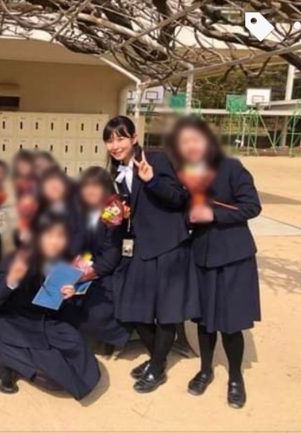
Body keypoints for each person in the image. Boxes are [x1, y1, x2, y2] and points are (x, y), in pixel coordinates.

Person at [166, 116, 261, 409]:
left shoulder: (231, 166)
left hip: (233, 255)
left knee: (231, 324)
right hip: (202, 255)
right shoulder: (185, 174)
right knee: (204, 321)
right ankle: (205, 370)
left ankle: (235, 377)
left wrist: (213, 215)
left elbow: (252, 206)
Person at [103, 115, 200, 393]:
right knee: (134, 308)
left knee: (167, 312)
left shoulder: (155, 159)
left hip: (168, 246)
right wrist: (118, 214)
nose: (115, 145)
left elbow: (179, 197)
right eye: (109, 140)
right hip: (141, 248)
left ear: (134, 138)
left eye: (121, 138)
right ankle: (158, 356)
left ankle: (156, 367)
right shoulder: (117, 170)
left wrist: (152, 180)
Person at [0, 212, 101, 400]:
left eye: (60, 236)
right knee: (54, 381)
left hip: (40, 321)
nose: (55, 242)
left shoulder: (58, 261)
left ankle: (18, 358)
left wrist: (67, 294)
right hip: (11, 324)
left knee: (77, 348)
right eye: (50, 235)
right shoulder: (15, 261)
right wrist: (10, 282)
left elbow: (50, 302)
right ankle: (2, 361)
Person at [60, 166, 131, 350]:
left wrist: (86, 274)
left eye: (96, 187)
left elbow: (111, 255)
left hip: (103, 271)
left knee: (97, 309)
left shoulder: (112, 213)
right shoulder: (75, 211)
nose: (90, 191)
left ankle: (110, 340)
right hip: (77, 265)